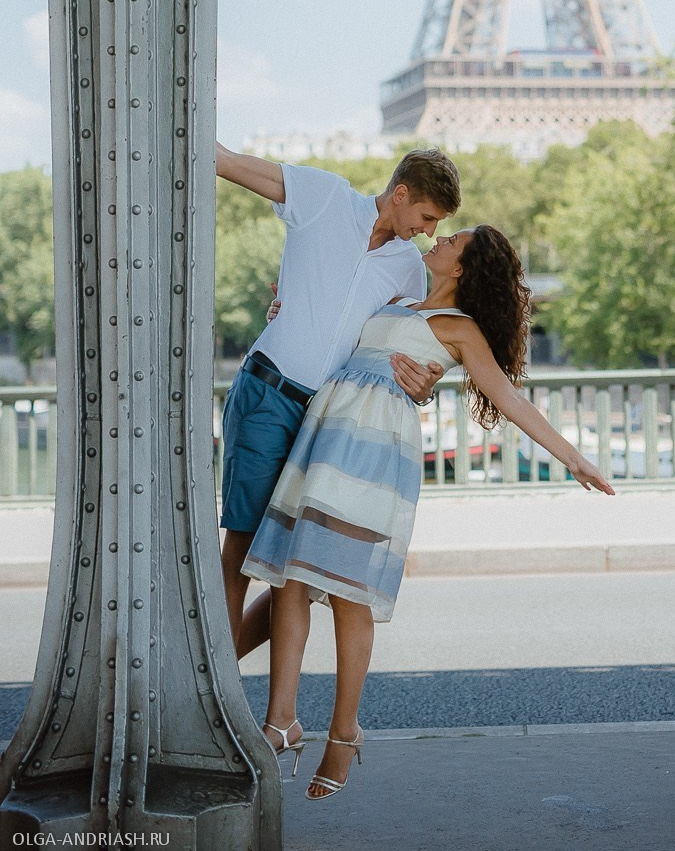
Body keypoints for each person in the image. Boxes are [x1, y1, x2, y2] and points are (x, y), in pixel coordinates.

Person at [241, 224, 615, 802]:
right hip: (325, 442)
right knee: (290, 580)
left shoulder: (461, 330)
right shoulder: (397, 298)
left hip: (373, 459)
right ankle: (280, 720)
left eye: (452, 243)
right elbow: (333, 318)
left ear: (462, 268)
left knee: (348, 592)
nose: (438, 242)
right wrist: (287, 306)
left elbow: (510, 400)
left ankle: (343, 733)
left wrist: (575, 459)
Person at [215, 142, 461, 645]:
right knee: (242, 544)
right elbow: (229, 163)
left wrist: (426, 387)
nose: (430, 231)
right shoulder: (323, 195)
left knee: (298, 569)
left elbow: (399, 349)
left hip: (327, 422)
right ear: (399, 193)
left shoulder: (408, 269)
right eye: (427, 216)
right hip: (270, 391)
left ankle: (221, 679)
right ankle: (212, 678)